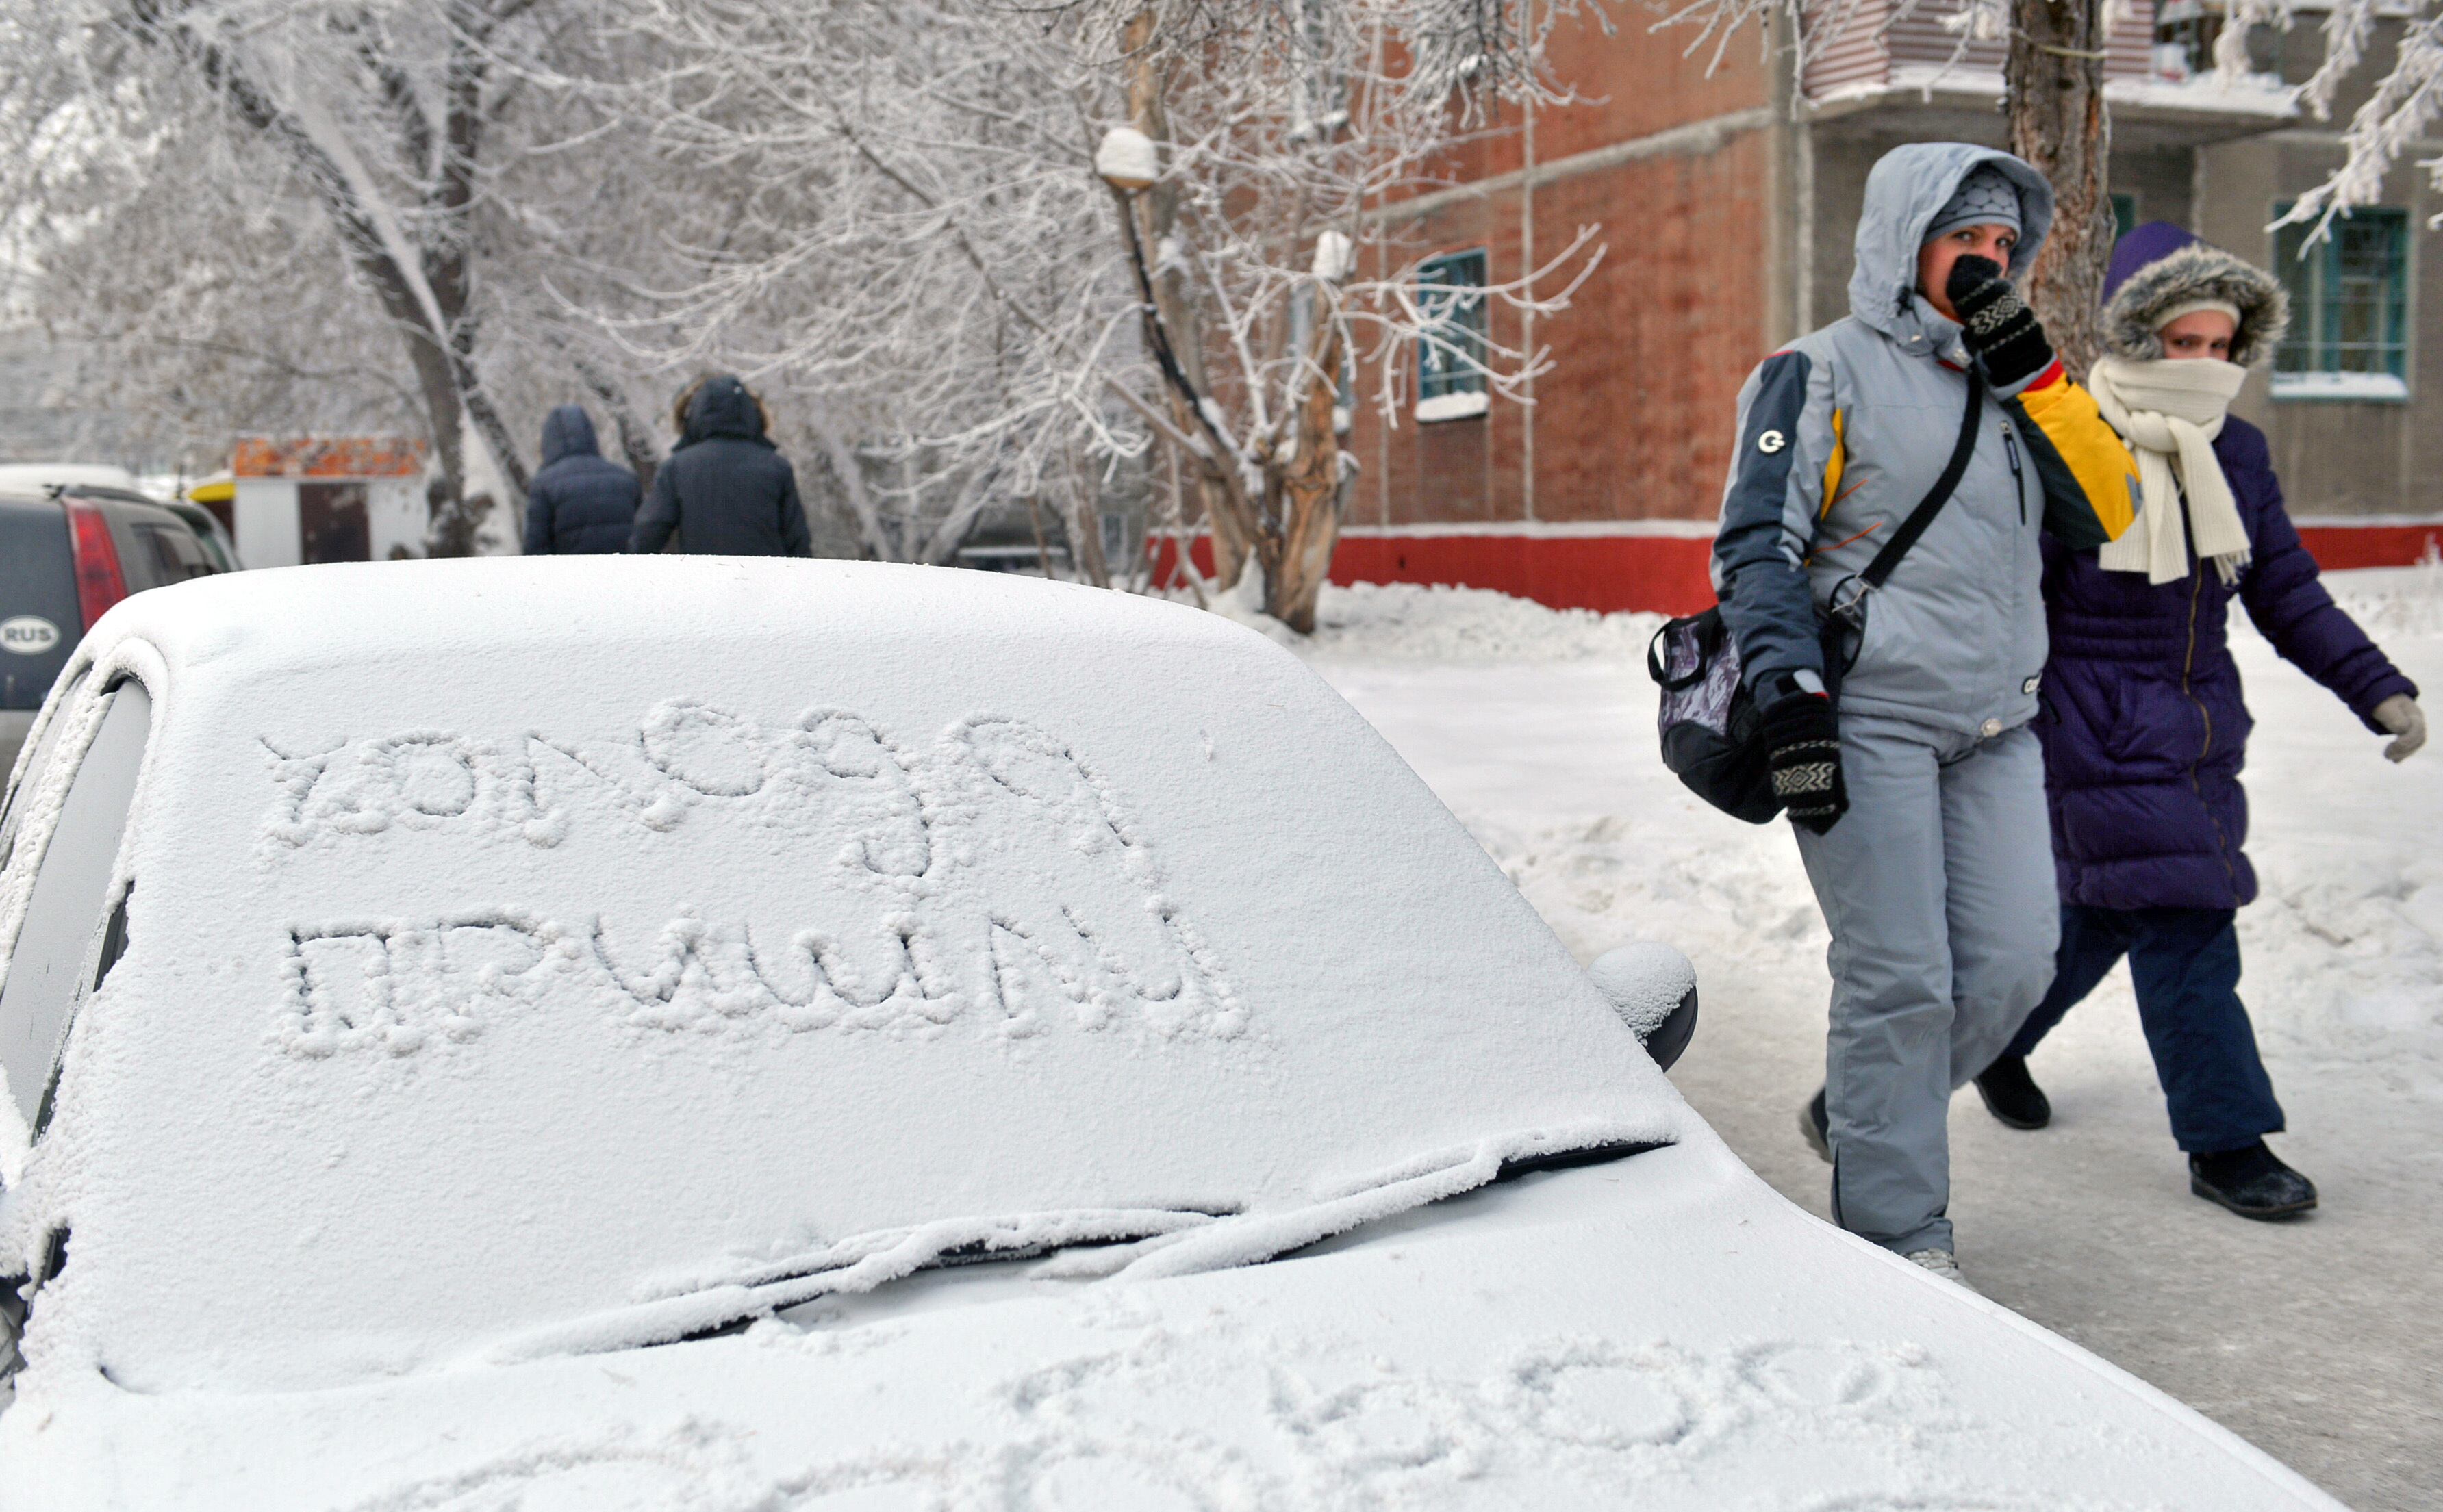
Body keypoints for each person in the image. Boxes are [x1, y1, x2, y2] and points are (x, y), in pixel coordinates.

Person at [1712, 144, 2140, 1282]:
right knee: (1898, 975)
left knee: (2011, 962)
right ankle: (1899, 1236)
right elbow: (1757, 544)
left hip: (1993, 726)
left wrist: (2037, 374)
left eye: (2005, 247)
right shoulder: (1814, 373)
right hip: (1865, 723)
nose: (1989, 265)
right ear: (1906, 240)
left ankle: (1863, 1105)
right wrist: (1790, 701)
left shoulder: (2014, 388)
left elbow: (2108, 509)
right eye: (1967, 242)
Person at [1971, 223, 2426, 1219]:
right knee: (2185, 921)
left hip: (2201, 727)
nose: (2207, 365)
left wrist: (2376, 686)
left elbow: (2287, 593)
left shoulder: (2241, 453)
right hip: (2090, 725)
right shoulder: (2070, 441)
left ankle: (1993, 1042)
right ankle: (2228, 1144)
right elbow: (2014, 599)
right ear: (2138, 339)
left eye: (2224, 347)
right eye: (2186, 343)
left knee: (2099, 917)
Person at [627, 374, 812, 556]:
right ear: (752, 414)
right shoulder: (776, 467)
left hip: (704, 580)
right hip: (763, 582)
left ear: (693, 416)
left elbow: (648, 534)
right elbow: (797, 540)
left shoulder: (677, 468)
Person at [522, 405, 642, 555]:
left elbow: (536, 546)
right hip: (624, 574)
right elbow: (644, 536)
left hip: (571, 576)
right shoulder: (626, 479)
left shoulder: (544, 484)